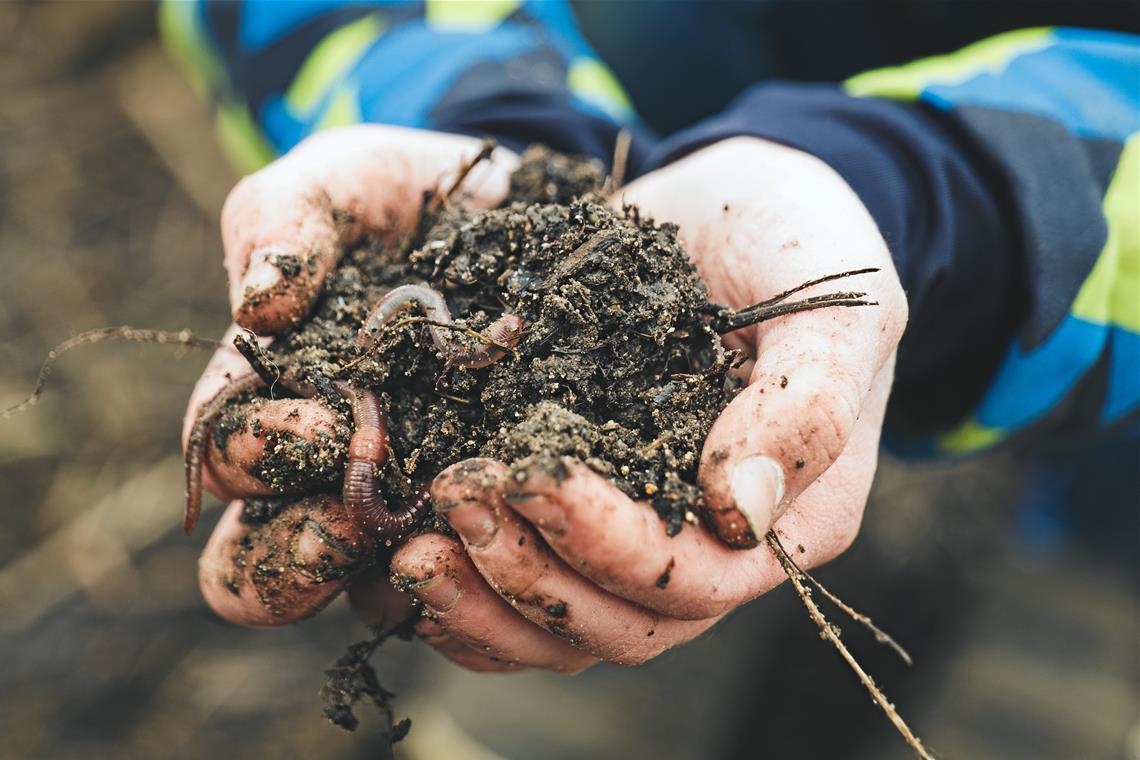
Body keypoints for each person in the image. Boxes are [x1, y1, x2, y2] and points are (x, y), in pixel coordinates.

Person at [165, 1, 1138, 674]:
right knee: (539, 548)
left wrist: (946, 209)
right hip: (651, 63)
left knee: (1107, 493)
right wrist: (490, 118)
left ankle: (1073, 584)